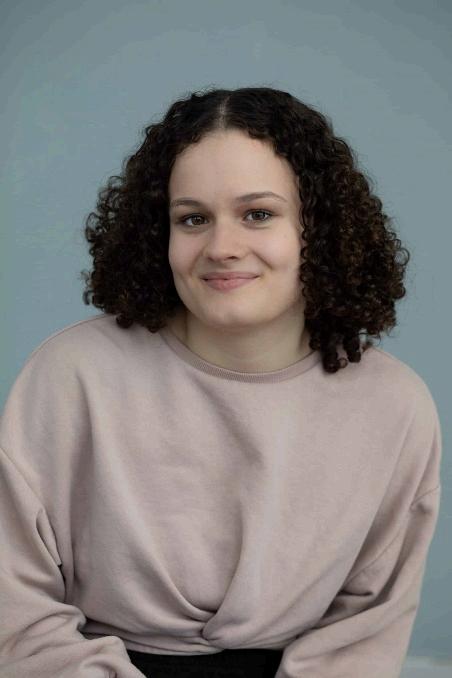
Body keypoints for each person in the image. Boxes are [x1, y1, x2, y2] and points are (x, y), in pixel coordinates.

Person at [0, 86, 442, 678]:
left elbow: (363, 632)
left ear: (318, 228)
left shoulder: (395, 405)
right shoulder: (70, 374)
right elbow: (16, 611)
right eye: (193, 219)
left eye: (258, 214)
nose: (221, 248)